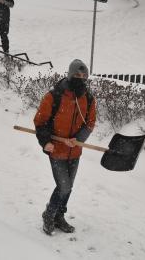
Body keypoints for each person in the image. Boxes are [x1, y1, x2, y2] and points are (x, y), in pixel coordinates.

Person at [33, 59, 97, 235]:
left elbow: (90, 123)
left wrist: (78, 139)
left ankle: (59, 216)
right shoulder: (55, 96)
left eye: (84, 75)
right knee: (64, 187)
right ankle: (49, 214)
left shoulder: (89, 98)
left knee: (68, 187)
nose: (81, 78)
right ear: (70, 75)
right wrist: (46, 142)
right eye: (77, 74)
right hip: (57, 150)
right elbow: (40, 122)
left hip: (75, 151)